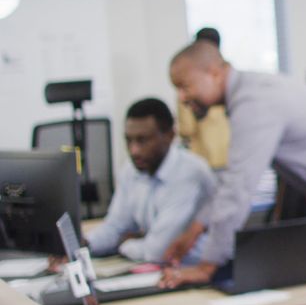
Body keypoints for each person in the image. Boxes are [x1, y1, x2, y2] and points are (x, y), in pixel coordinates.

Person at [161, 41, 306, 286]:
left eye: (185, 87)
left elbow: (237, 188)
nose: (182, 98)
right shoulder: (248, 91)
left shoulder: (254, 102)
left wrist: (207, 266)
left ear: (214, 73)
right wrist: (194, 231)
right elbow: (232, 179)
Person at [83, 98, 214, 263]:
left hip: (196, 270)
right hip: (157, 269)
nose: (134, 151)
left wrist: (124, 244)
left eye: (142, 140)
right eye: (128, 140)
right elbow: (115, 226)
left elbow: (158, 251)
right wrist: (85, 245)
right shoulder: (132, 169)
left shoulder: (188, 173)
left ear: (169, 135)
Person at [177, 27, 230, 169]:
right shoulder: (228, 76)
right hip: (230, 155)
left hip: (202, 159)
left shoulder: (187, 80)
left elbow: (186, 129)